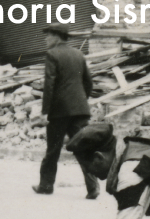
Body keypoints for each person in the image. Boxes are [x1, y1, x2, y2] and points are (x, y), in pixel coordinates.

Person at [33, 23, 98, 199]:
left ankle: (46, 186)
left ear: (56, 36)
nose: (46, 39)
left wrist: (45, 112)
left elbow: (49, 85)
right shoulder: (78, 54)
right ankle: (93, 187)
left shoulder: (52, 54)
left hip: (59, 112)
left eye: (48, 35)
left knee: (53, 149)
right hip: (80, 110)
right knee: (82, 148)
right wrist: (81, 101)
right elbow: (89, 82)